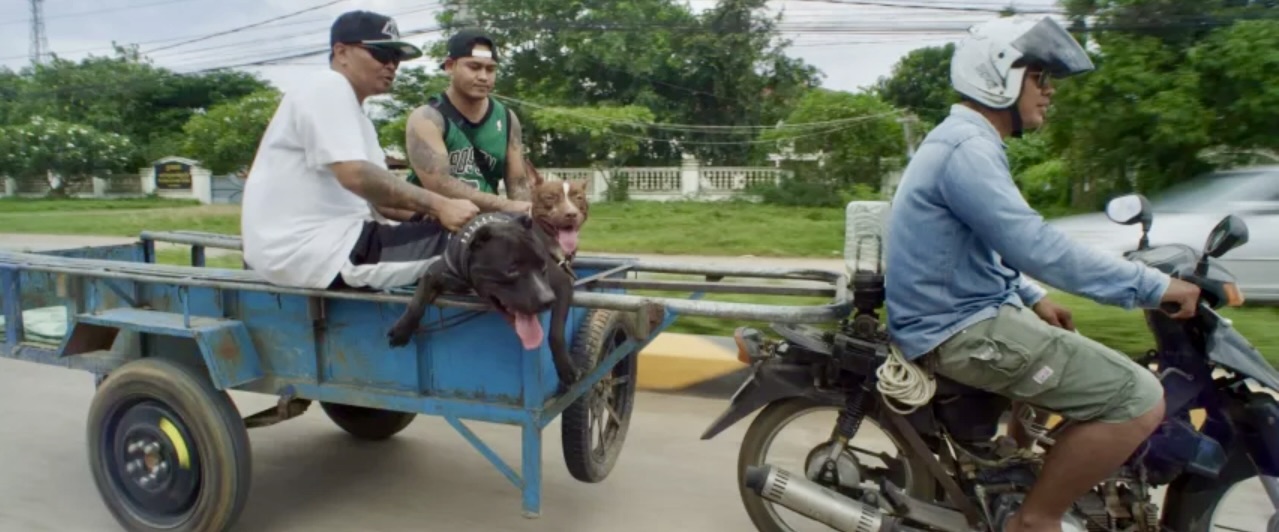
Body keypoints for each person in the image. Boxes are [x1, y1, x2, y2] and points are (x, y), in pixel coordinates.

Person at [883, 15, 1201, 532]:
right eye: (1039, 78)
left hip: (962, 314)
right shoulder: (967, 149)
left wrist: (1031, 296)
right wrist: (1154, 287)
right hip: (959, 329)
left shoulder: (967, 141)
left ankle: (1015, 479)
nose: (1049, 91)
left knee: (1082, 364)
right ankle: (1035, 519)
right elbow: (1037, 246)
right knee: (1139, 399)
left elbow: (982, 245)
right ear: (998, 76)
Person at [240, 10, 479, 291]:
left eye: (396, 58)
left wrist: (434, 216)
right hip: (316, 250)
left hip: (332, 244)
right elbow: (355, 175)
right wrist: (441, 206)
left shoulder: (357, 117)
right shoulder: (327, 85)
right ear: (341, 52)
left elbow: (384, 203)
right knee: (482, 244)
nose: (391, 65)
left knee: (479, 232)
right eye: (381, 54)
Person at [387, 29, 532, 220]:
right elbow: (439, 184)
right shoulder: (427, 118)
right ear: (450, 66)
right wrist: (506, 205)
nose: (483, 76)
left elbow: (518, 183)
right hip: (433, 224)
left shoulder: (507, 118)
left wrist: (527, 218)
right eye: (474, 67)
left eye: (490, 69)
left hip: (486, 226)